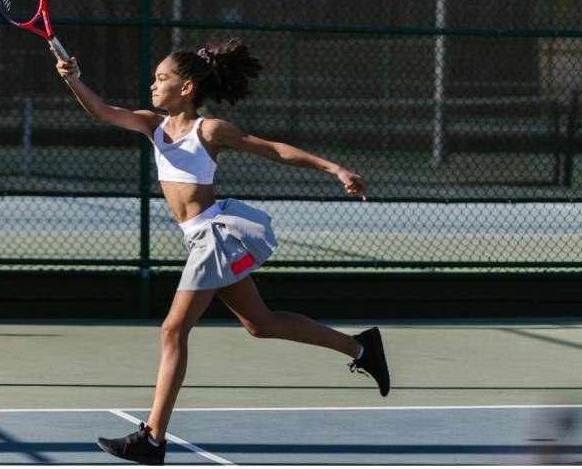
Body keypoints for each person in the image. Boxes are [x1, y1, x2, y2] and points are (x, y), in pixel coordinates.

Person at [52, 38, 390, 466]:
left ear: (187, 87)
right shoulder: (151, 125)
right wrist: (74, 79)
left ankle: (152, 438)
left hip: (214, 237)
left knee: (173, 331)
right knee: (261, 324)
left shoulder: (208, 130)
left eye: (162, 78)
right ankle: (362, 349)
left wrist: (335, 168)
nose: (153, 85)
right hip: (201, 240)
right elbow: (101, 110)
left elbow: (274, 149)